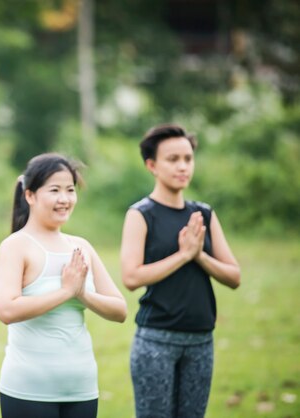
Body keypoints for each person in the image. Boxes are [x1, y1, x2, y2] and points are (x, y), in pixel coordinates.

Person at [120, 124, 241, 418]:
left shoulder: (204, 214)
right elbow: (131, 277)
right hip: (156, 342)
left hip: (201, 341)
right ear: (152, 165)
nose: (183, 166)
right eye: (173, 159)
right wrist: (184, 255)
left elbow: (234, 276)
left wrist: (199, 257)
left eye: (188, 159)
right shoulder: (140, 215)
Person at [0, 153, 128, 418]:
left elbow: (120, 310)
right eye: (55, 190)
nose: (65, 199)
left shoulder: (82, 246)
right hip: (28, 389)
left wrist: (82, 294)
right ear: (30, 195)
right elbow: (6, 310)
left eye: (70, 190)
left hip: (82, 388)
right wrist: (65, 292)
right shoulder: (17, 246)